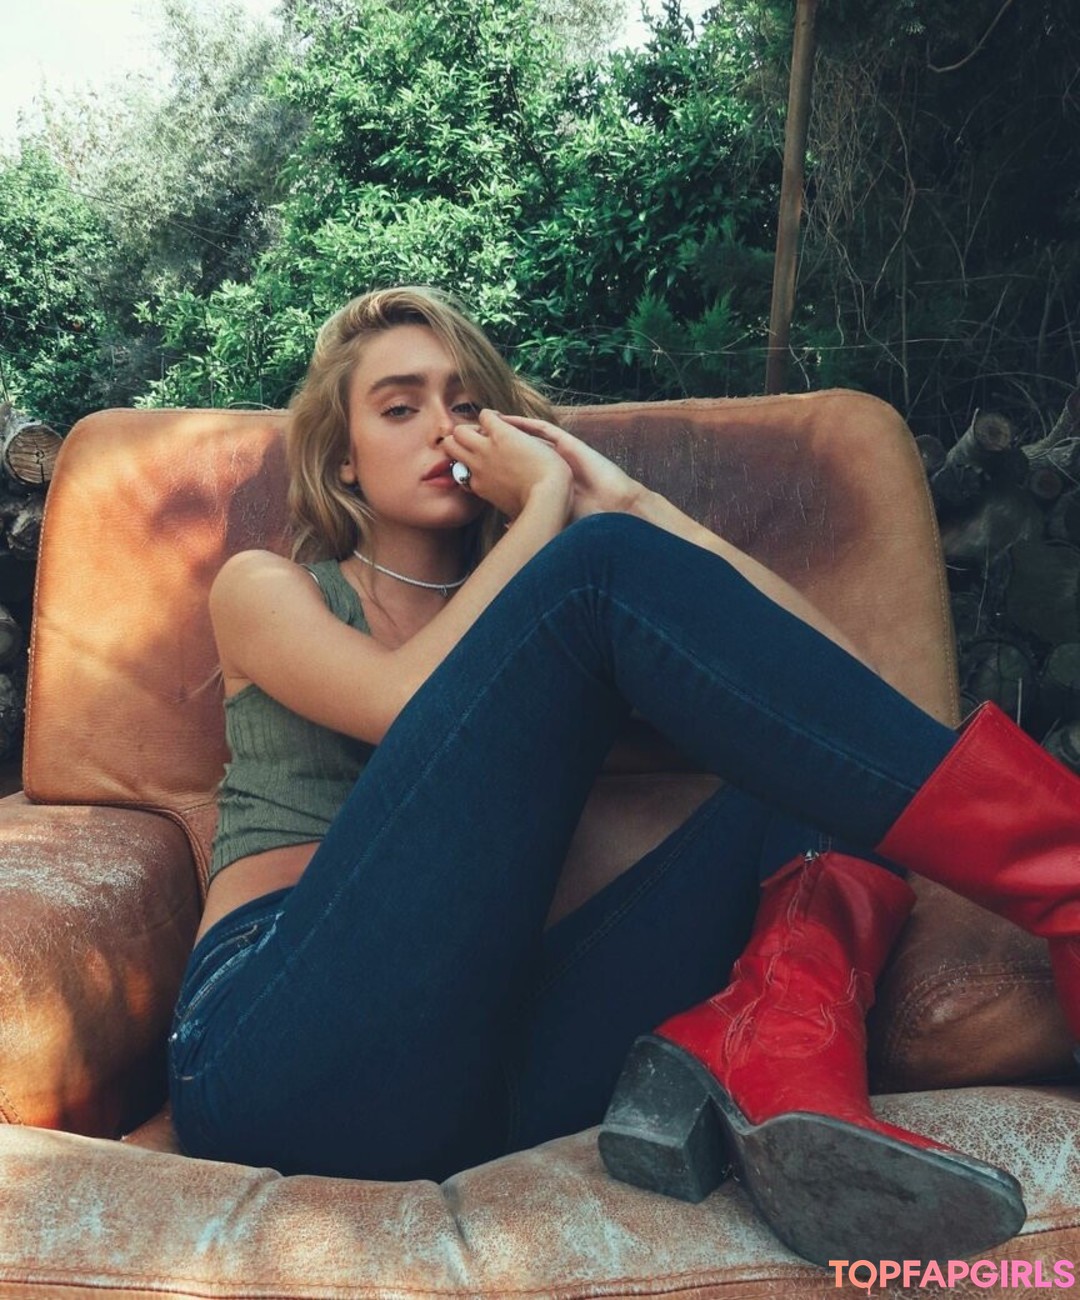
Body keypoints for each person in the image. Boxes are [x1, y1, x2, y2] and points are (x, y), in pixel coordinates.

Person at [168, 285, 1078, 1269]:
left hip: (487, 1074)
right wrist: (548, 513)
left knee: (814, 769)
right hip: (275, 1045)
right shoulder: (268, 586)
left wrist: (633, 503)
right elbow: (406, 705)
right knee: (599, 570)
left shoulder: (567, 632)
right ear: (343, 455)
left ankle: (782, 1050)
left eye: (468, 405)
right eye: (400, 407)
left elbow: (837, 701)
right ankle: (1066, 871)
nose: (444, 428)